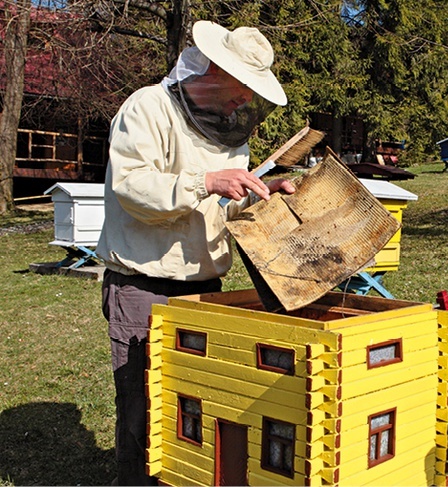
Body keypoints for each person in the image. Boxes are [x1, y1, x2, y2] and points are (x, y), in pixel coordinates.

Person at [96, 21, 295, 485]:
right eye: (242, 88)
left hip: (206, 292)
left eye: (252, 92)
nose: (246, 101)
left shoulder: (229, 132)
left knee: (198, 408)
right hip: (144, 289)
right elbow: (132, 189)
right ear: (212, 68)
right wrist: (205, 181)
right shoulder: (147, 108)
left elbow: (221, 202)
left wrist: (261, 193)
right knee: (144, 410)